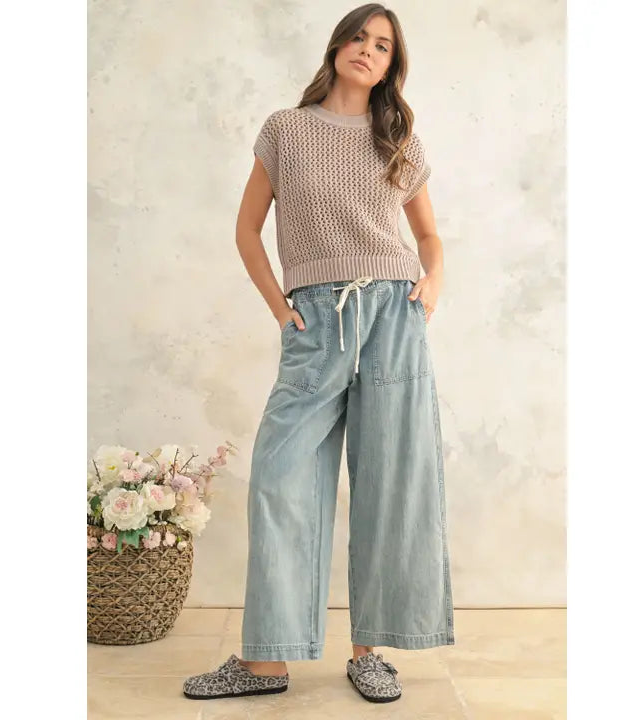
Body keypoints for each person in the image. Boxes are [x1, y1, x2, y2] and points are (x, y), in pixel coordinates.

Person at [183, 3, 455, 704]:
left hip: (394, 315)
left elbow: (429, 237)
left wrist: (430, 286)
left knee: (391, 480)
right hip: (315, 319)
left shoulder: (398, 139)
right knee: (280, 480)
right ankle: (266, 662)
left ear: (391, 66)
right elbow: (247, 230)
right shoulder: (286, 129)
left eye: (383, 45)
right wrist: (282, 311)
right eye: (359, 37)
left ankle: (371, 652)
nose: (368, 50)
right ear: (337, 46)